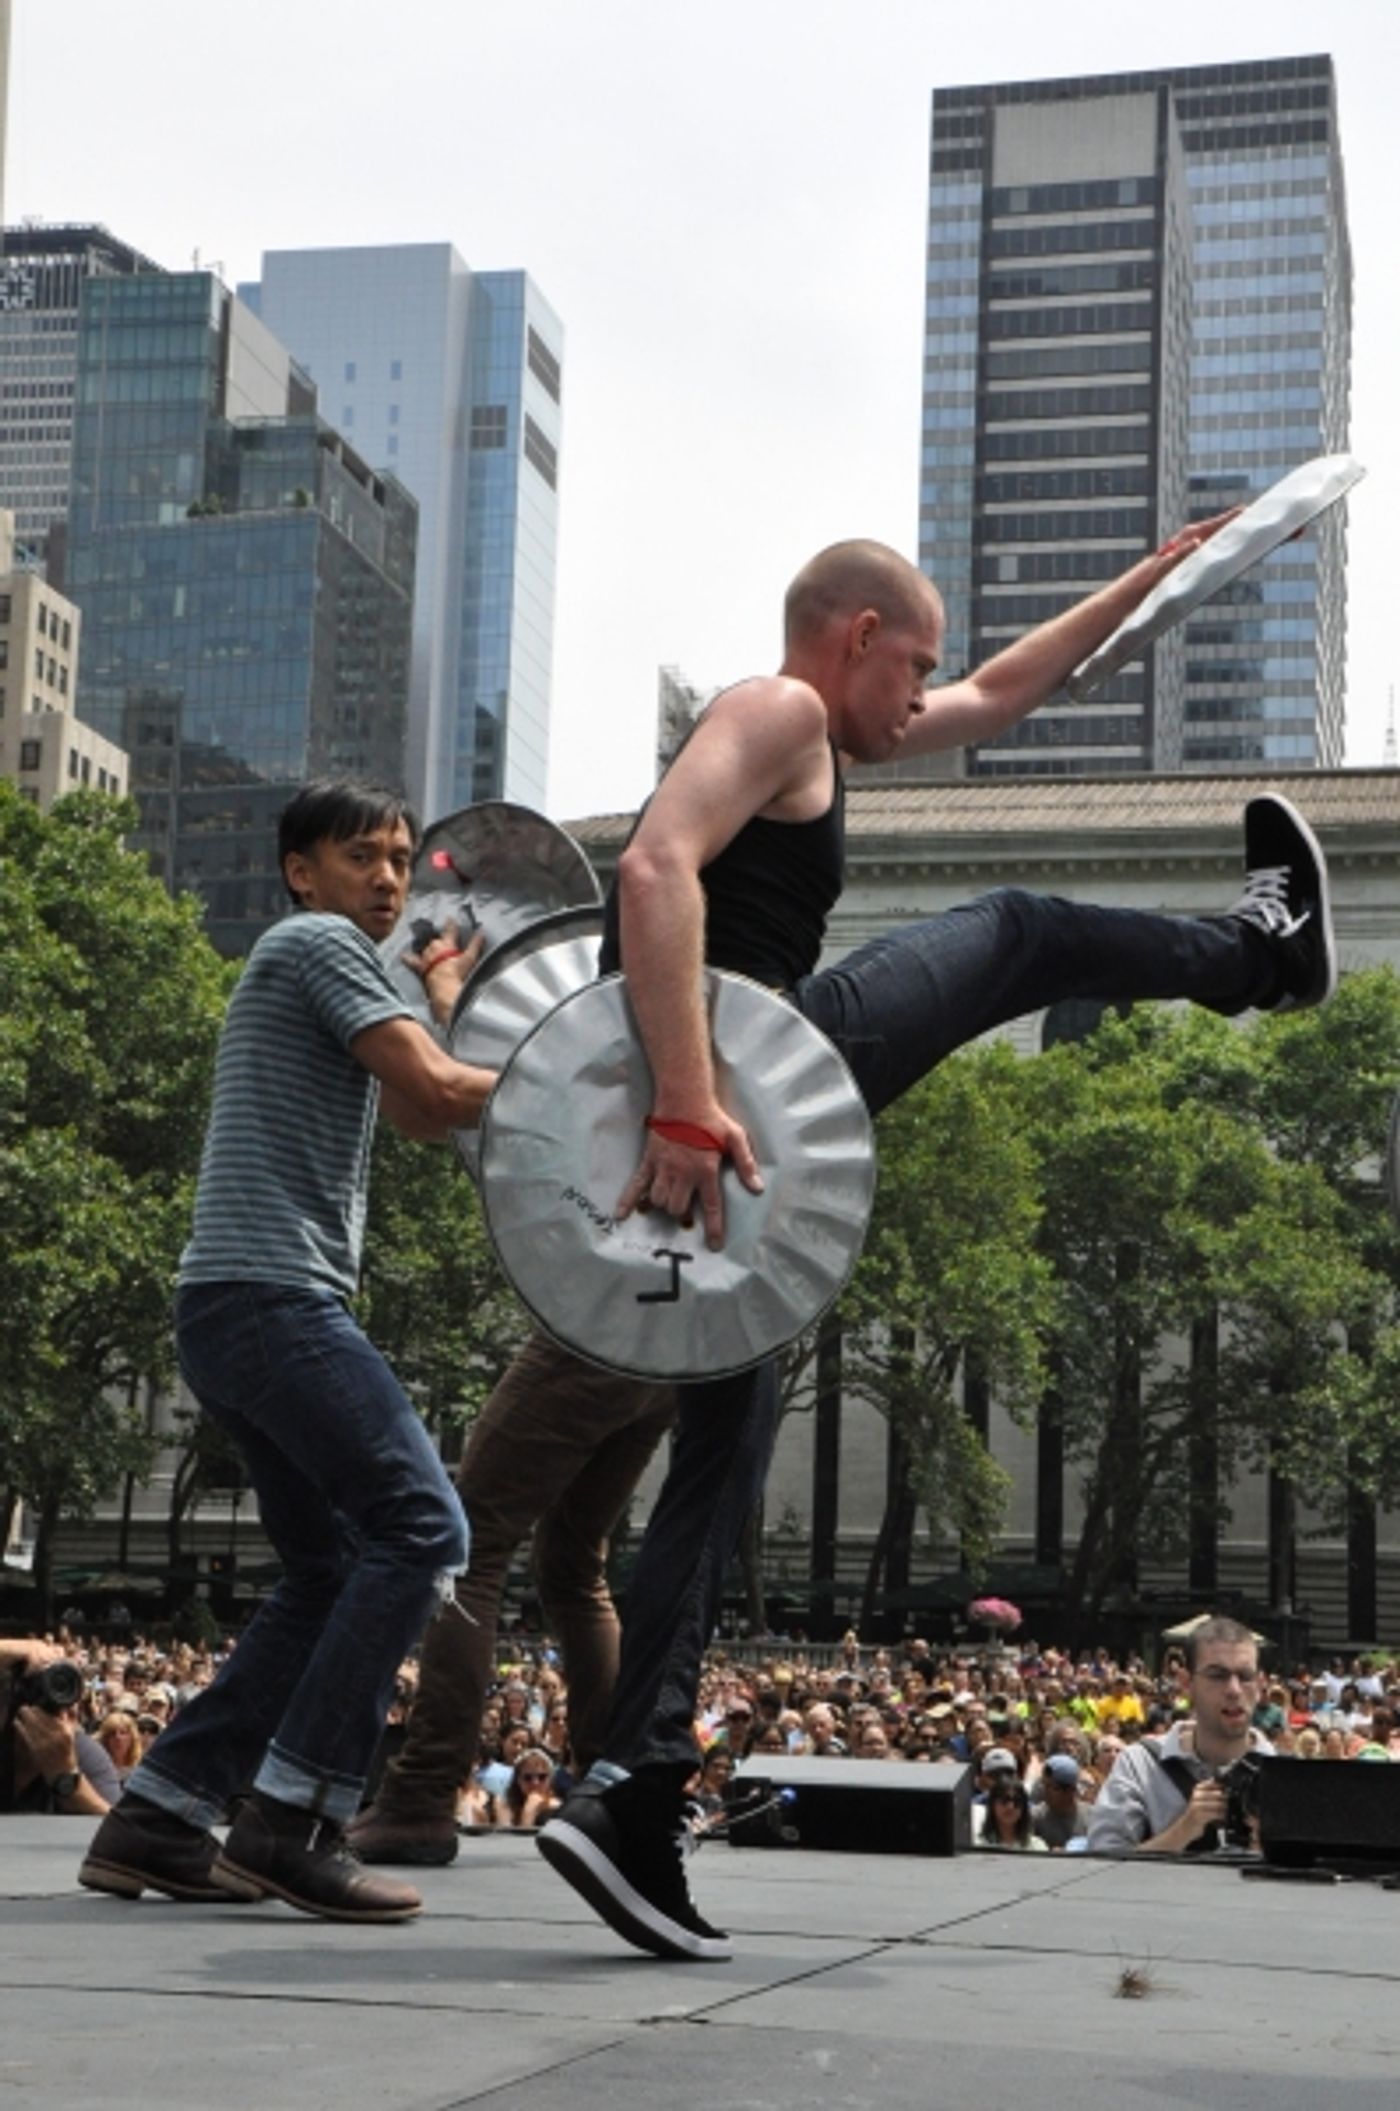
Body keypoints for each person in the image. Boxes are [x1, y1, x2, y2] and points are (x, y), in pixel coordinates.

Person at [537, 532, 1335, 1961]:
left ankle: (628, 1795)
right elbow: (654, 865)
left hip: (725, 1143)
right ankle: (1262, 955)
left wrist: (1144, 581)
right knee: (1020, 926)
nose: (927, 694)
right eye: (914, 660)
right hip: (742, 1073)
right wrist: (685, 1094)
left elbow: (1013, 692)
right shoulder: (776, 709)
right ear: (852, 635)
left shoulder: (834, 734)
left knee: (715, 1475)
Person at [78, 781, 497, 1924]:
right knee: (424, 1526)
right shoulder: (315, 938)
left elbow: (423, 1108)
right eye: (362, 855)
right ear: (300, 870)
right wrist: (615, 1090)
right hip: (272, 1299)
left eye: (403, 858)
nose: (391, 878)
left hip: (233, 1305)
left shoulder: (335, 961)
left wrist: (447, 1001)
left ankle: (160, 1811)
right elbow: (438, 1090)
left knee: (322, 1571)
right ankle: (291, 1818)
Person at [1086, 1616, 1274, 1854]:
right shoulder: (1140, 1766)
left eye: (1245, 1676)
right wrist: (1183, 1831)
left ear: (1260, 1684)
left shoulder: (1289, 1775)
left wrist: (1275, 1852)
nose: (1234, 1690)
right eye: (1217, 1675)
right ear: (1186, 1682)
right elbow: (1099, 1869)